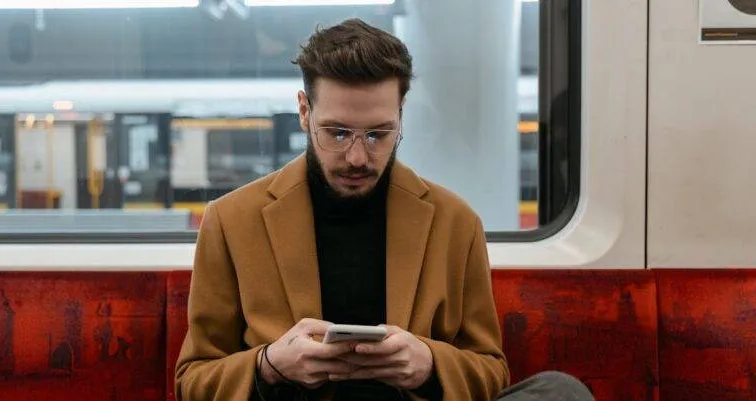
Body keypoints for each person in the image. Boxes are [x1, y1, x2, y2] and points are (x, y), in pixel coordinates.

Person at [175, 18, 594, 401]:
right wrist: (270, 366)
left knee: (561, 392)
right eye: (337, 133)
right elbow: (192, 381)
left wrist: (428, 365)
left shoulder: (455, 221)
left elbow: (490, 370)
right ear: (304, 112)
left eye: (378, 134)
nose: (357, 157)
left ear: (400, 116)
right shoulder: (233, 220)